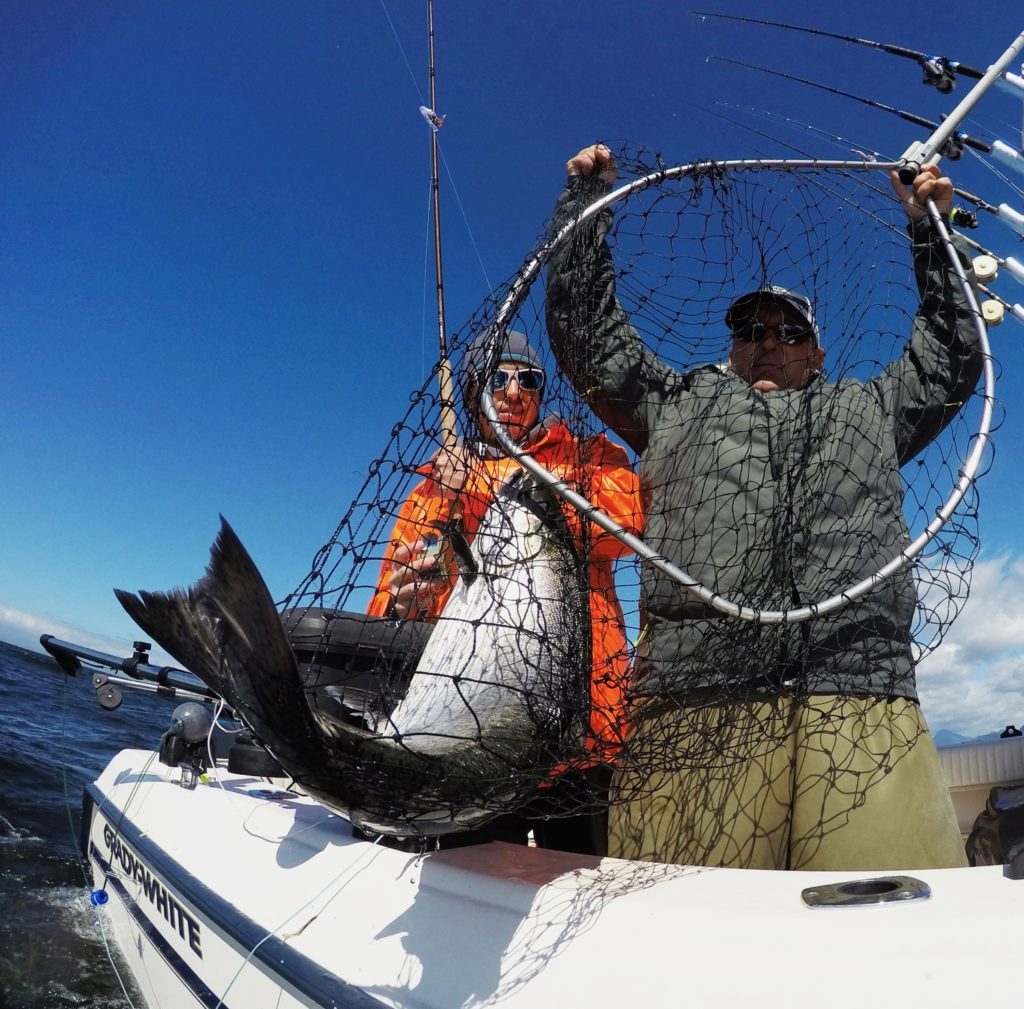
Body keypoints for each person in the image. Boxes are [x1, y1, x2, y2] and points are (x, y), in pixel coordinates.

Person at [545, 143, 982, 871]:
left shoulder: (872, 405)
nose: (769, 343)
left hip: (861, 697)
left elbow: (949, 353)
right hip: (692, 704)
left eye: (789, 332)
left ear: (816, 353)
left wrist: (931, 232)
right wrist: (583, 210)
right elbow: (591, 342)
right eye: (752, 331)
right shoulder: (672, 402)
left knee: (890, 938)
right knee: (685, 941)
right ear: (732, 348)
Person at [368, 328, 644, 855]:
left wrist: (485, 486)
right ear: (473, 392)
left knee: (580, 888)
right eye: (498, 378)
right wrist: (404, 602)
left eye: (529, 379)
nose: (514, 392)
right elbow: (386, 604)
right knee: (468, 890)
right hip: (469, 732)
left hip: (580, 737)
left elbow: (623, 522)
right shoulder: (430, 493)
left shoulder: (591, 457)